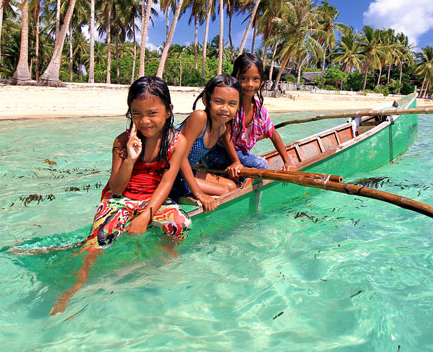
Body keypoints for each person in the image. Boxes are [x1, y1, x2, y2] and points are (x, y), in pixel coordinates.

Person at [51, 76, 190, 314]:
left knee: (181, 225)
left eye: (152, 113)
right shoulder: (122, 141)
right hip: (121, 198)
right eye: (137, 113)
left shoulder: (177, 141)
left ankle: (159, 260)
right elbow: (116, 188)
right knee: (100, 240)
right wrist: (130, 158)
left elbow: (167, 182)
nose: (144, 120)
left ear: (168, 111)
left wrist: (146, 216)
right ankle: (75, 285)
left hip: (153, 199)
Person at [203, 53, 294, 177]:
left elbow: (273, 134)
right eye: (244, 79)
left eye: (255, 79)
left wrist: (287, 161)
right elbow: (225, 136)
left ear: (261, 81)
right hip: (213, 153)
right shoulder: (231, 105)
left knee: (251, 162)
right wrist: (236, 161)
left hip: (235, 153)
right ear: (235, 78)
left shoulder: (260, 111)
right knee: (261, 164)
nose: (250, 84)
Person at [172, 75, 240, 212]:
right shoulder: (199, 118)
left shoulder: (222, 128)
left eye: (232, 104)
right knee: (226, 190)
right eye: (219, 101)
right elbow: (179, 157)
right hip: (172, 175)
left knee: (232, 186)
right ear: (205, 99)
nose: (225, 109)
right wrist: (199, 194)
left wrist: (236, 162)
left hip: (188, 171)